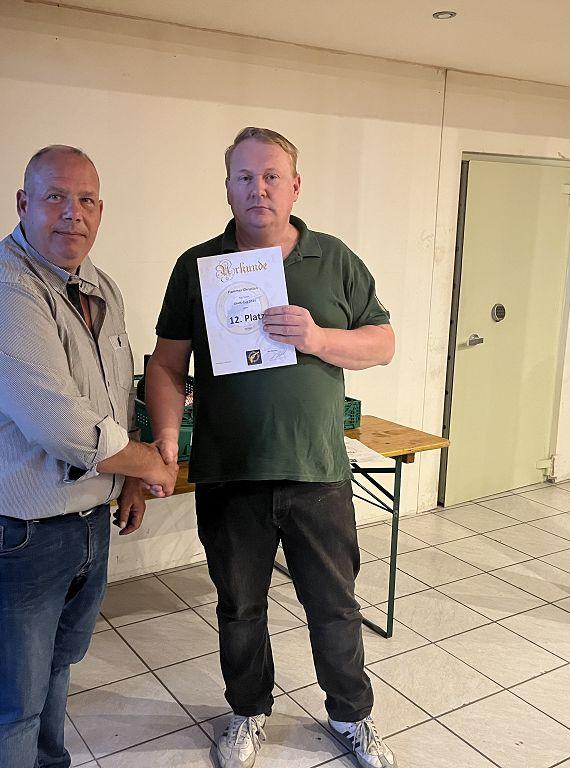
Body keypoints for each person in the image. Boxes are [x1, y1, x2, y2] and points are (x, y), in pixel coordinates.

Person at [145, 127, 397, 768]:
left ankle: (351, 716)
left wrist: (318, 339)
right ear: (228, 186)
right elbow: (167, 364)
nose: (258, 188)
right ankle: (248, 710)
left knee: (334, 606)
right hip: (230, 473)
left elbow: (382, 343)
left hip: (316, 470)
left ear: (294, 186)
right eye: (245, 177)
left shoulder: (334, 259)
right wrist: (167, 437)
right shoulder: (197, 266)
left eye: (271, 176)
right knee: (239, 608)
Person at [0, 145, 176, 768]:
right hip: (7, 532)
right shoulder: (4, 291)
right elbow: (63, 424)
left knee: (55, 672)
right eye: (55, 197)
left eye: (86, 199)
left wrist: (127, 481)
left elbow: (113, 394)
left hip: (83, 521)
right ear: (23, 204)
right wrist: (150, 463)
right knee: (10, 706)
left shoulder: (100, 286)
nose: (74, 213)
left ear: (101, 210)